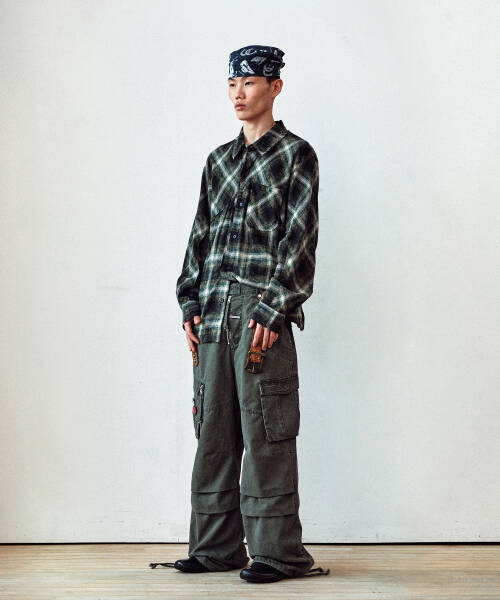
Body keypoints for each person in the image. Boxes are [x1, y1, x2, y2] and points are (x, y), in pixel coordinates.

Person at [156, 44, 328, 583]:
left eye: (250, 83)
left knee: (266, 432)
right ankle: (215, 549)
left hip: (260, 314)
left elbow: (300, 240)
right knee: (213, 432)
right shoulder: (218, 162)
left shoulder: (297, 156)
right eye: (232, 83)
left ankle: (277, 553)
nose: (238, 93)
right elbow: (200, 236)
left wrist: (274, 307)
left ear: (275, 87)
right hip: (213, 312)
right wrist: (189, 301)